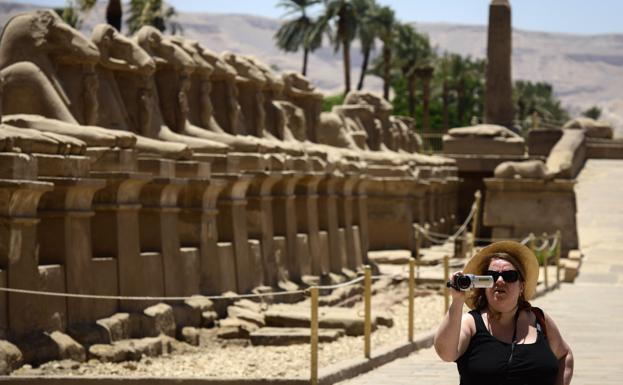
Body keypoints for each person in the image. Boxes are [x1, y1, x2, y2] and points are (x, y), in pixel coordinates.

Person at [434, 241, 574, 385]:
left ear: (522, 286)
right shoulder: (471, 324)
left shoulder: (539, 319)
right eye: (492, 276)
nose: (500, 281)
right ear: (483, 284)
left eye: (509, 276)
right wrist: (457, 301)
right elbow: (446, 353)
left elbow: (565, 355)